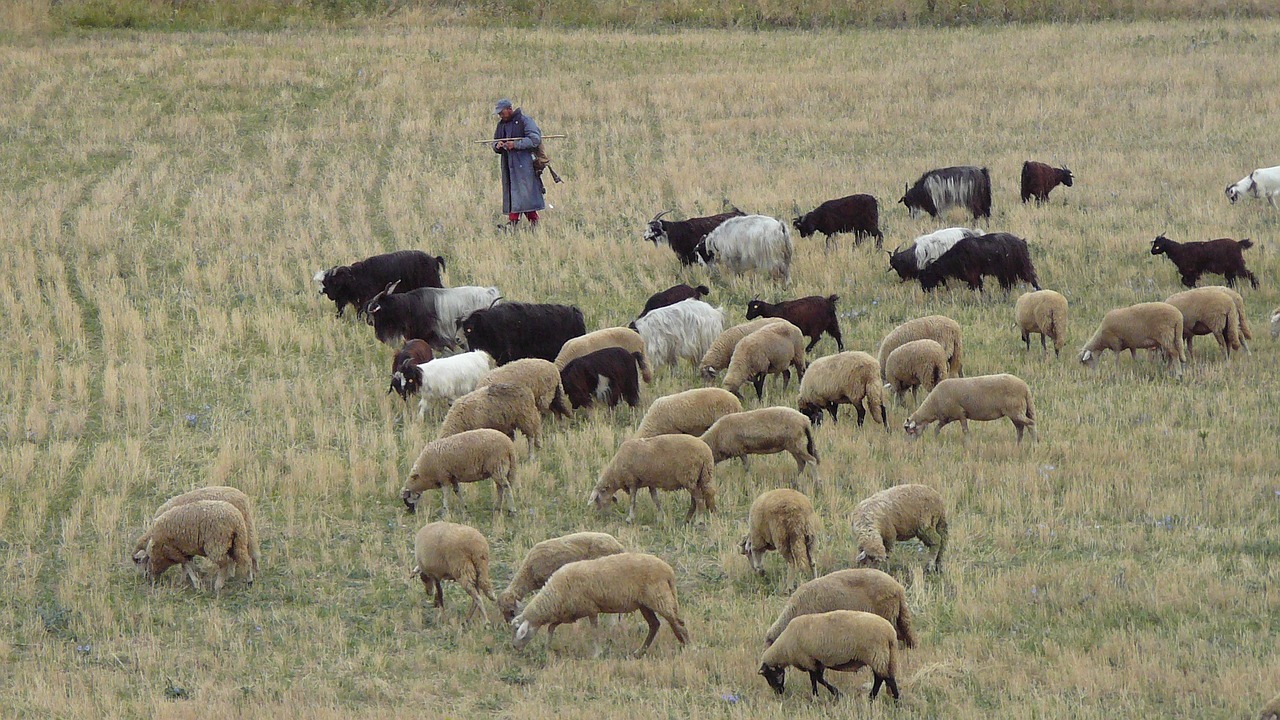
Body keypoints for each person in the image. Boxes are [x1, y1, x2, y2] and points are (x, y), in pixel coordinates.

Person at [492, 99, 545, 228]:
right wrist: (497, 146)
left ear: (509, 109)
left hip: (524, 164)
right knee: (515, 193)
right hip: (508, 165)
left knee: (524, 194)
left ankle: (524, 222)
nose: (500, 115)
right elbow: (494, 142)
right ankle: (517, 222)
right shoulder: (501, 125)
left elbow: (534, 139)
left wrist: (515, 145)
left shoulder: (525, 121)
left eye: (502, 112)